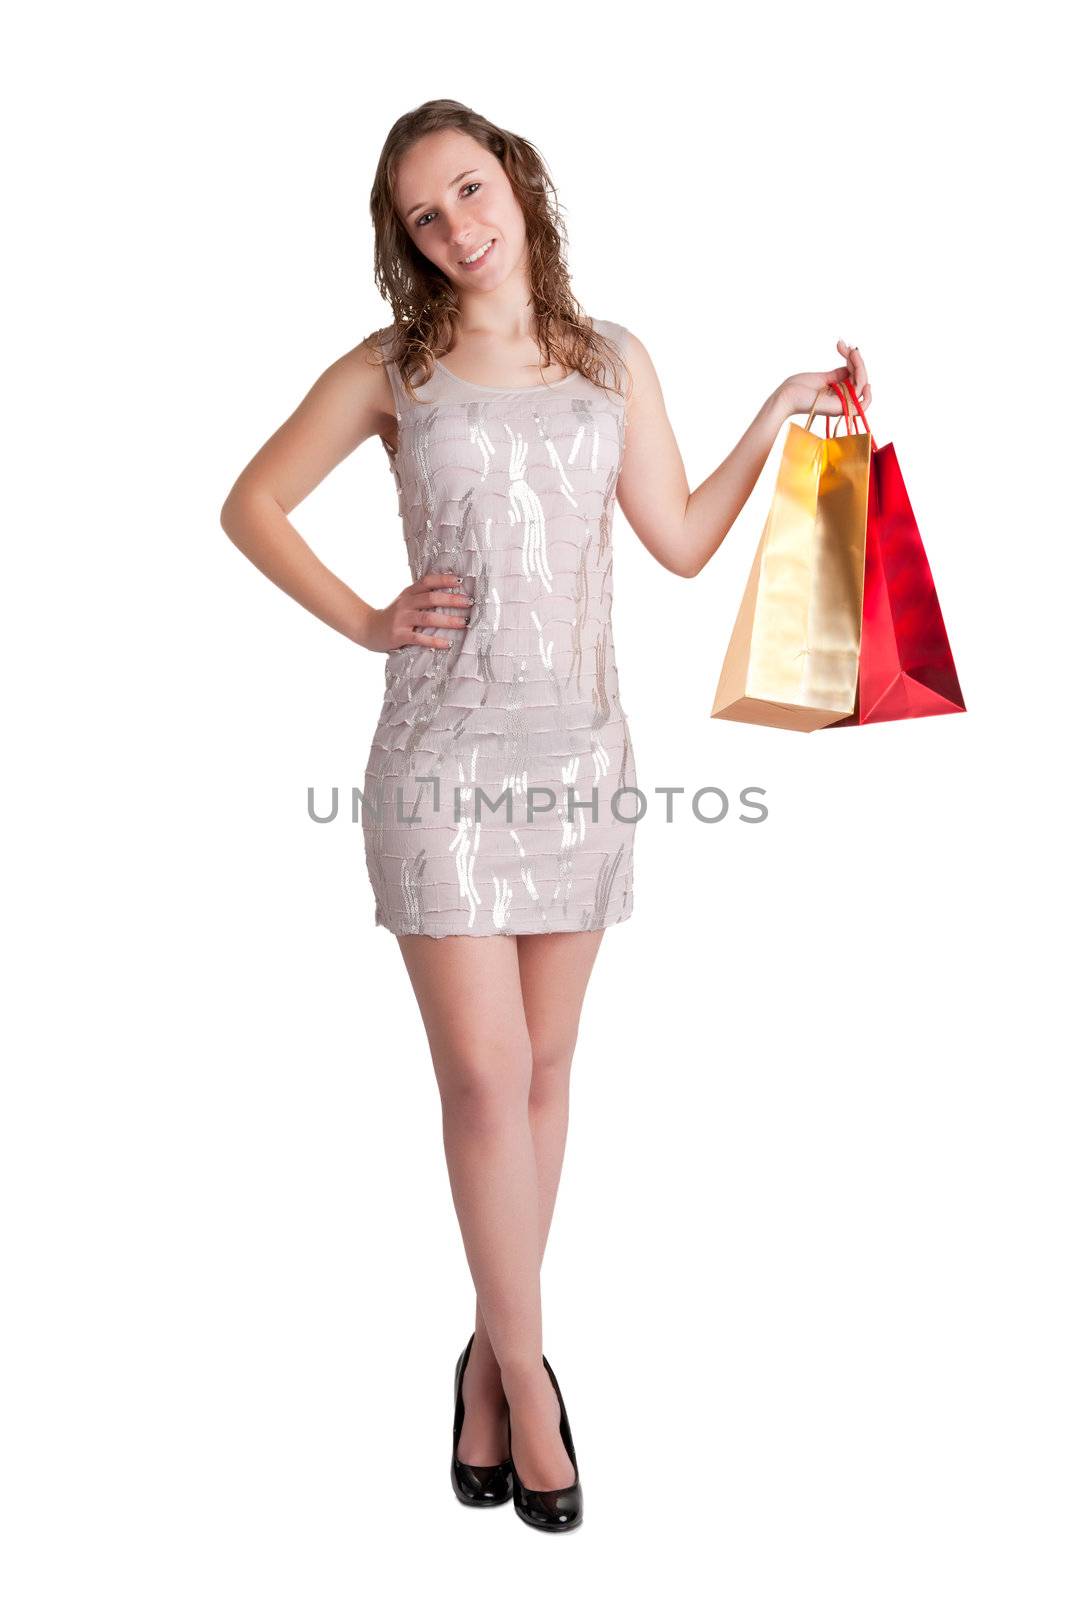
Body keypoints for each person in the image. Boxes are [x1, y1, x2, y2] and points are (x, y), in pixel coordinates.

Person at [220, 98, 871, 1533]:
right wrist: (366, 618)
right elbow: (253, 503)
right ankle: (530, 1377)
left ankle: (478, 1361)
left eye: (468, 190)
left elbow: (686, 544)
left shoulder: (610, 360)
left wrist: (778, 410)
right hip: (439, 762)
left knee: (545, 1073)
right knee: (481, 1076)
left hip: (579, 756)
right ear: (405, 240)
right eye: (423, 216)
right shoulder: (398, 370)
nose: (458, 228)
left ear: (516, 178)